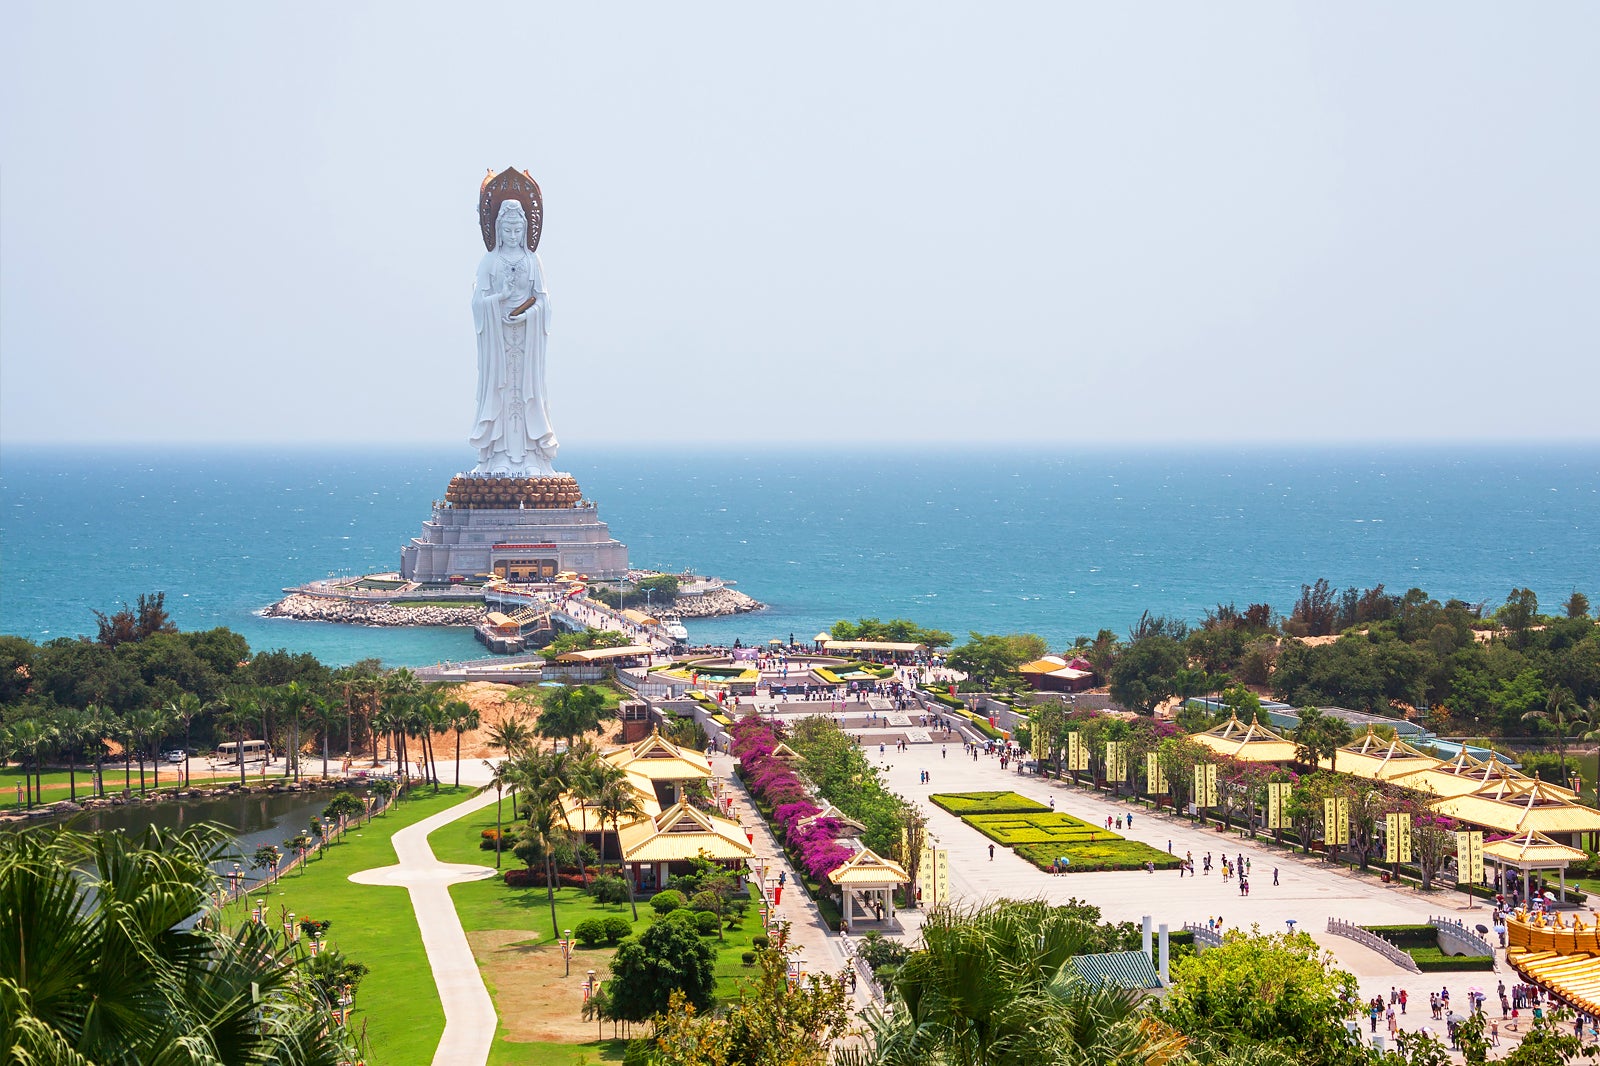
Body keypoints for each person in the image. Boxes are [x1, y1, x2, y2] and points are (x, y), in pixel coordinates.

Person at [470, 197, 558, 474]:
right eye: (507, 230)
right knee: (502, 391)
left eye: (517, 230)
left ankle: (532, 457)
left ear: (524, 230)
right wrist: (501, 298)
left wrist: (528, 314)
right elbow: (477, 302)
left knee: (528, 392)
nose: (512, 236)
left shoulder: (533, 261)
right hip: (498, 340)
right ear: (498, 230)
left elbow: (545, 303)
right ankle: (497, 456)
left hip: (527, 338)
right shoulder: (490, 261)